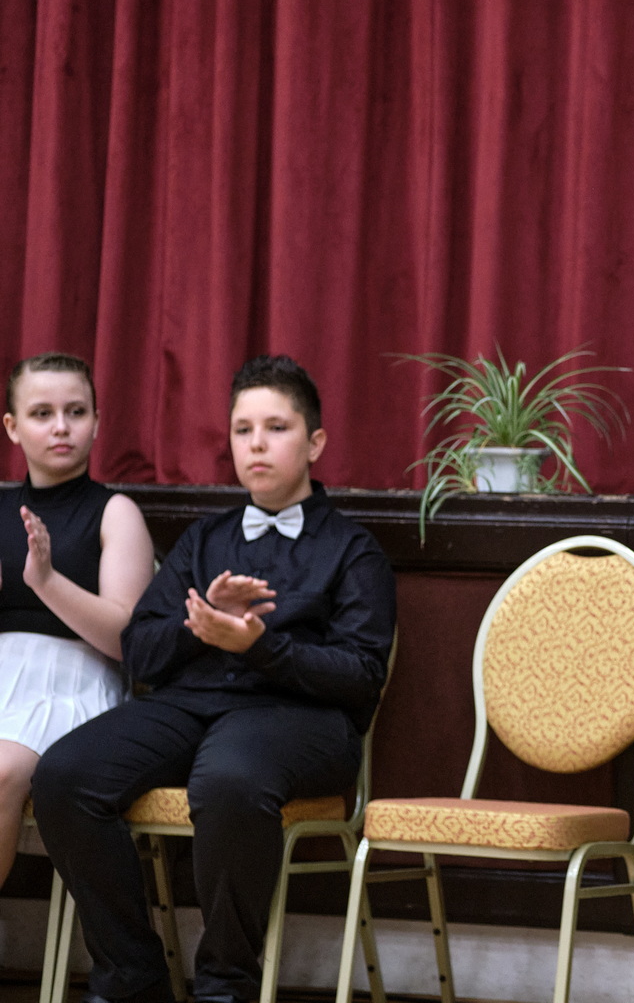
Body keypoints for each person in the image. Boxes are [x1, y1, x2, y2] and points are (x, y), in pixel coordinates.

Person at [32, 355, 396, 1003]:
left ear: (314, 442)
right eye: (242, 429)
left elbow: (361, 676)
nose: (256, 444)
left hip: (302, 718)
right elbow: (140, 651)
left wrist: (260, 647)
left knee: (228, 777)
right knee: (64, 775)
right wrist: (198, 626)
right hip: (191, 705)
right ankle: (132, 977)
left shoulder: (354, 550)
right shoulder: (205, 540)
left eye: (276, 428)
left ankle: (225, 986)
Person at [0, 353, 154, 885]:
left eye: (76, 411)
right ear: (12, 428)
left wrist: (46, 581)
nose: (61, 426)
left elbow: (126, 638)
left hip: (73, 683)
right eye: (42, 413)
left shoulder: (115, 512)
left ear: (97, 422)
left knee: (2, 770)